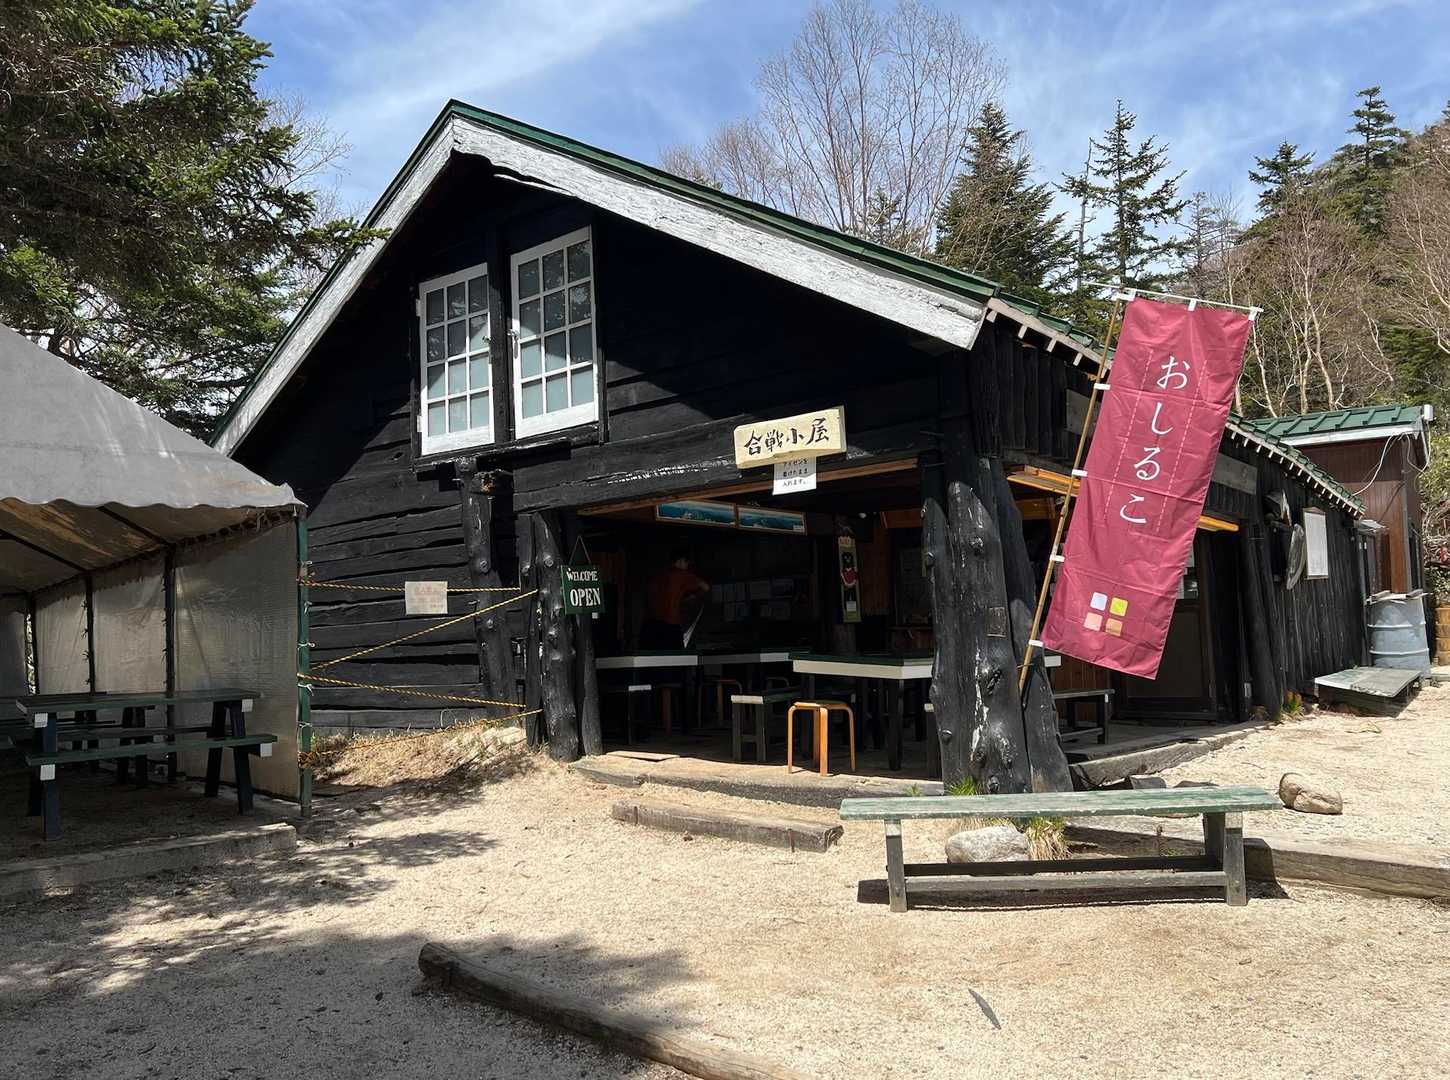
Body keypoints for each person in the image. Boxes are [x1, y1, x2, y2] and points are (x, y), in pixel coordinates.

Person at [641, 548, 710, 649]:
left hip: (650, 627)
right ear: (681, 560)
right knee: (677, 656)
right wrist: (693, 597)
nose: (687, 566)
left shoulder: (658, 575)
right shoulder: (681, 574)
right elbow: (705, 587)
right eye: (687, 563)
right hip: (670, 625)